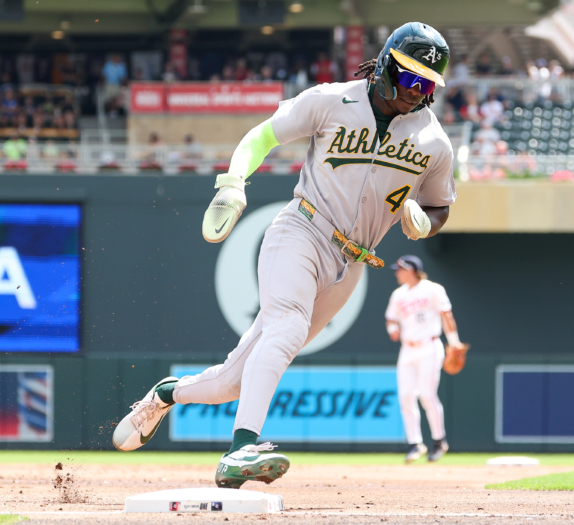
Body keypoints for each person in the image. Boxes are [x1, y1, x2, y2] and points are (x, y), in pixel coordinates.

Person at [113, 22, 456, 489]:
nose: (418, 91)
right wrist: (233, 183)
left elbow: (439, 205)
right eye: (411, 77)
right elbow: (260, 138)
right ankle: (240, 449)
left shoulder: (434, 141)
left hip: (354, 263)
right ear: (385, 66)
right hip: (302, 231)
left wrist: (426, 223)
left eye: (428, 83)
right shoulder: (332, 100)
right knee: (289, 327)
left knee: (233, 381)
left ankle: (166, 395)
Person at [385, 255, 464, 463]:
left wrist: (454, 342)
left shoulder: (432, 289)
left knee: (427, 395)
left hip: (430, 346)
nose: (396, 273)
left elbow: (446, 315)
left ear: (410, 270)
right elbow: (390, 319)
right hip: (407, 349)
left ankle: (439, 441)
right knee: (406, 396)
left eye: (399, 269)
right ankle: (415, 444)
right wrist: (392, 329)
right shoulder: (398, 294)